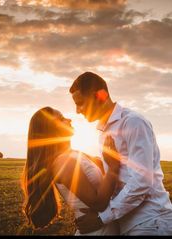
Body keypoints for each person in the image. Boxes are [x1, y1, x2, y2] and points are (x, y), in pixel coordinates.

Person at [69, 71, 172, 235]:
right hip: (127, 224)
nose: (77, 110)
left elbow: (141, 183)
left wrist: (102, 218)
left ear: (100, 95)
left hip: (150, 222)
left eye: (80, 103)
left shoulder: (133, 122)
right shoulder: (103, 132)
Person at [22, 106, 120, 235]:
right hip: (96, 230)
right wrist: (113, 169)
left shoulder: (73, 154)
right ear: (52, 129)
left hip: (103, 225)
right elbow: (99, 204)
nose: (69, 119)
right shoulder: (63, 162)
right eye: (62, 119)